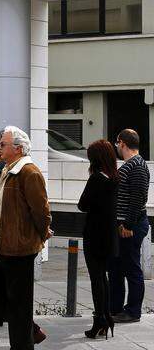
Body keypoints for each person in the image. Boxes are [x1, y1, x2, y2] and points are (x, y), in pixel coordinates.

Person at [0, 126, 51, 349]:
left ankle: (23, 344)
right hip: (3, 244)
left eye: (2, 144)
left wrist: (41, 235)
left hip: (20, 247)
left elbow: (41, 211)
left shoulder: (29, 172)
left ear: (18, 148)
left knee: (19, 305)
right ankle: (27, 337)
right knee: (6, 300)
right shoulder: (8, 169)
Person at [78, 140, 119, 339]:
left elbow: (82, 204)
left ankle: (100, 320)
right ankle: (107, 317)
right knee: (104, 278)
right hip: (109, 235)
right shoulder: (114, 177)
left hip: (94, 235)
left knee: (97, 279)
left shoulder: (96, 179)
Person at [109, 129, 151, 323]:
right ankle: (115, 308)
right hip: (124, 225)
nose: (116, 146)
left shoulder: (137, 165)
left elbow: (137, 197)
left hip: (130, 226)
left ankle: (133, 311)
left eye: (117, 143)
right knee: (117, 268)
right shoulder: (131, 164)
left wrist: (127, 224)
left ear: (123, 143)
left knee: (131, 269)